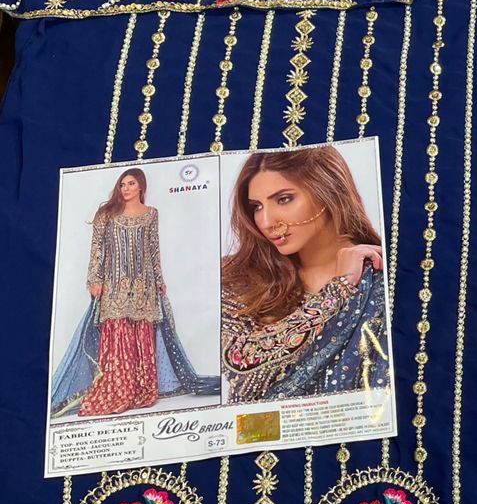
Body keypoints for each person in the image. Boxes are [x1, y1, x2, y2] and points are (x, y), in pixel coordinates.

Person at [220, 146, 390, 404]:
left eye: (283, 199)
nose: (266, 221)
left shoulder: (379, 276)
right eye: (256, 207)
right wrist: (337, 290)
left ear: (328, 191)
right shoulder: (237, 278)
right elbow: (243, 376)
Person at [51, 167, 219, 418]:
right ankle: (117, 390)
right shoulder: (107, 214)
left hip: (144, 285)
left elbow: (153, 249)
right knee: (116, 335)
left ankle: (141, 389)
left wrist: (159, 280)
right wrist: (94, 280)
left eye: (130, 183)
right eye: (122, 184)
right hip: (114, 285)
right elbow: (97, 249)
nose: (126, 188)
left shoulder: (151, 214)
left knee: (142, 335)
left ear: (141, 185)